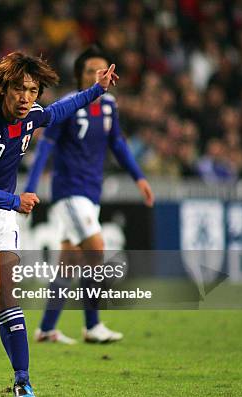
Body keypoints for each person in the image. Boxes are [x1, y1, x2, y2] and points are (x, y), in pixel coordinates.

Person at [0, 51, 118, 397]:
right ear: (4, 88)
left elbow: (60, 109)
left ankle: (22, 380)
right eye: (19, 88)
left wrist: (96, 89)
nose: (25, 97)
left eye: (32, 90)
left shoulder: (31, 116)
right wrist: (14, 201)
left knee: (4, 294)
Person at [24, 46, 154, 345]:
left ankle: (46, 329)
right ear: (81, 76)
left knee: (68, 264)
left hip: (91, 193)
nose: (99, 74)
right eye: (91, 70)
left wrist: (140, 178)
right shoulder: (68, 106)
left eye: (103, 68)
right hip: (69, 192)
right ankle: (93, 325)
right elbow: (45, 147)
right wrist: (30, 187)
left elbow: (119, 145)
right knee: (96, 250)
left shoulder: (109, 106)